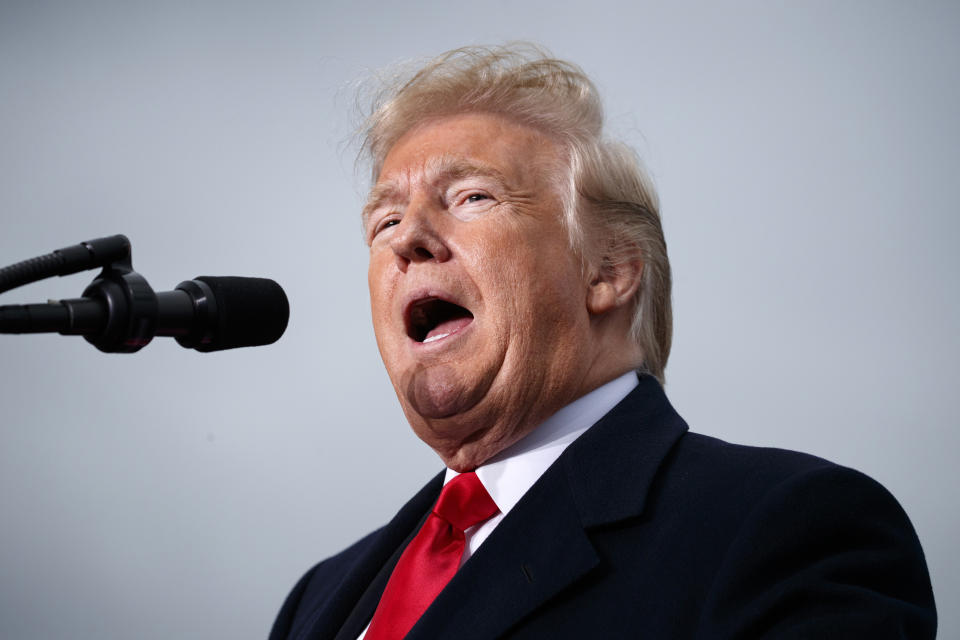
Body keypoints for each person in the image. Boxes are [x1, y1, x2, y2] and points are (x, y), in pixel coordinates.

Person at [270, 44, 936, 639]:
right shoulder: (318, 600)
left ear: (610, 270)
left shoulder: (786, 529)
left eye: (472, 197)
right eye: (384, 220)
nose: (407, 238)